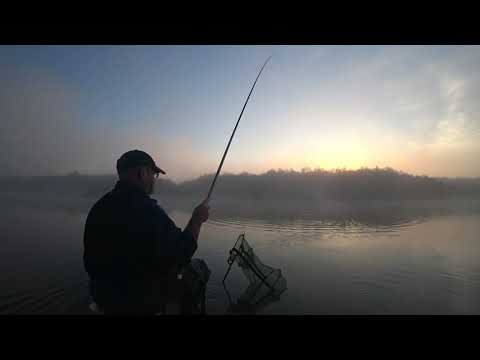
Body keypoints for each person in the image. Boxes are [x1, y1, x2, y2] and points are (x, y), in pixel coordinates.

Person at [83, 149, 210, 314]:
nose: (154, 180)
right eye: (153, 174)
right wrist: (197, 219)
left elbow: (90, 262)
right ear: (142, 173)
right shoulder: (147, 211)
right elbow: (183, 250)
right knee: (198, 271)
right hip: (138, 302)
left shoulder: (99, 208)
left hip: (103, 297)